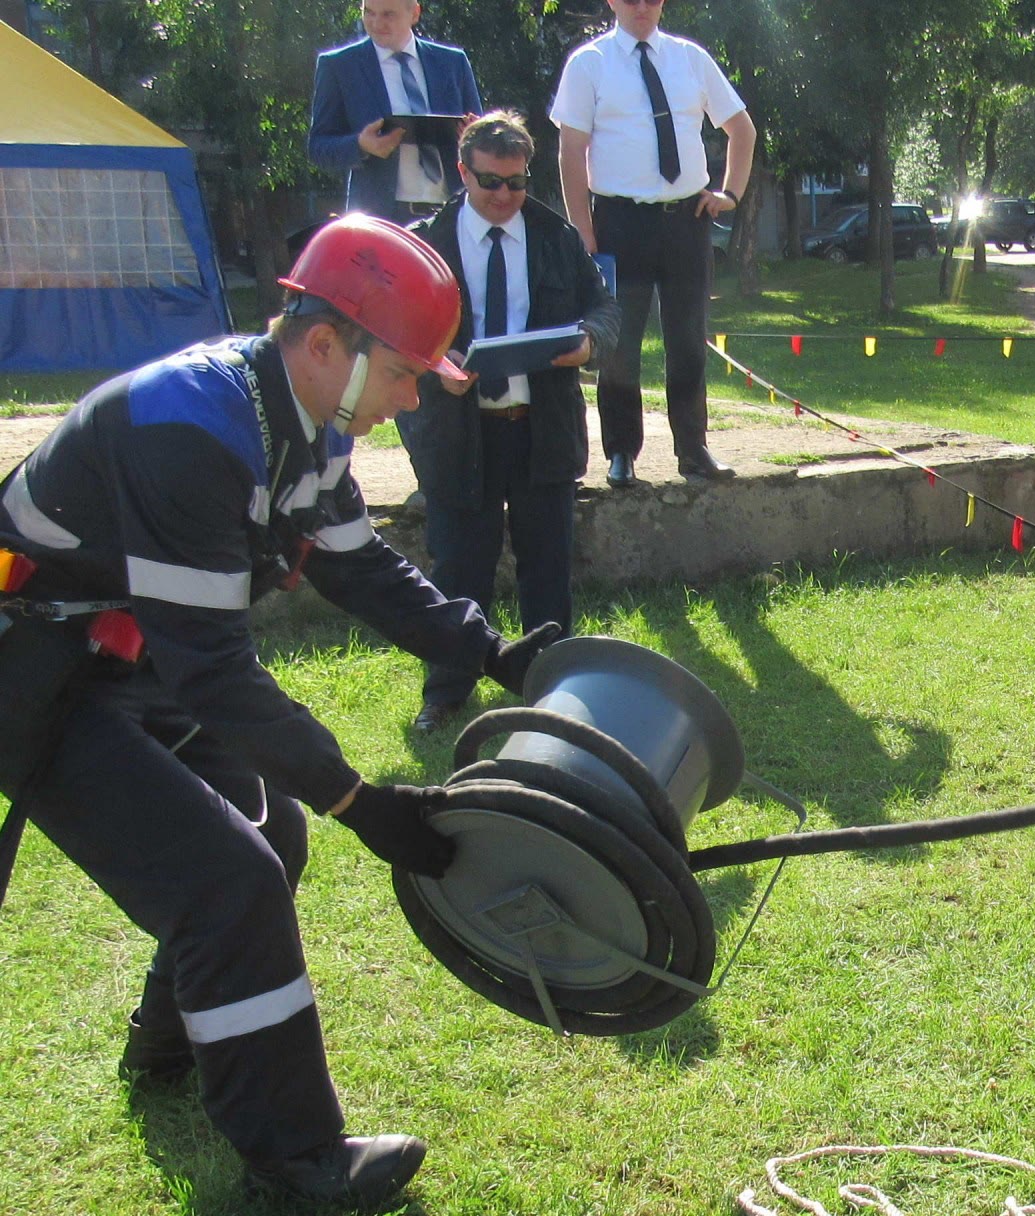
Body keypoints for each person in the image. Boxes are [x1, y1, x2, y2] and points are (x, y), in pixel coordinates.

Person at [0, 214, 557, 1209]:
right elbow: (214, 674)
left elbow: (362, 571)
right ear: (324, 346)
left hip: (117, 654)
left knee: (272, 837)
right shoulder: (191, 430)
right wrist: (362, 800)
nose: (414, 394)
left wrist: (495, 654)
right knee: (230, 880)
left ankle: (165, 1050)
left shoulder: (304, 422)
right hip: (31, 673)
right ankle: (295, 1162)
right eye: (404, 371)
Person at [399, 111, 618, 732]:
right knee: (458, 568)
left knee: (547, 565)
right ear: (463, 172)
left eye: (517, 183)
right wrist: (434, 364)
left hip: (540, 425)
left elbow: (603, 305)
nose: (503, 196)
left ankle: (552, 686)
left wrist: (588, 341)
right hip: (457, 431)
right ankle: (446, 691)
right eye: (490, 182)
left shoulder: (556, 236)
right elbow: (396, 327)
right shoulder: (426, 240)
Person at [549, 0, 755, 487]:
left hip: (687, 219)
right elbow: (571, 152)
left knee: (688, 340)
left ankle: (694, 448)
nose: (641, 6)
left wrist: (730, 193)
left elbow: (741, 129)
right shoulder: (589, 63)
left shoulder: (690, 57)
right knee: (620, 344)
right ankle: (621, 452)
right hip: (620, 221)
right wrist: (583, 229)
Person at [308, 0, 482, 220]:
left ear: (415, 13)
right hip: (383, 217)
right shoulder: (339, 66)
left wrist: (474, 134)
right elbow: (318, 147)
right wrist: (361, 145)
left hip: (453, 213)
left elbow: (481, 137)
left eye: (388, 15)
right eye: (369, 13)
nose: (376, 23)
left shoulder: (452, 63)